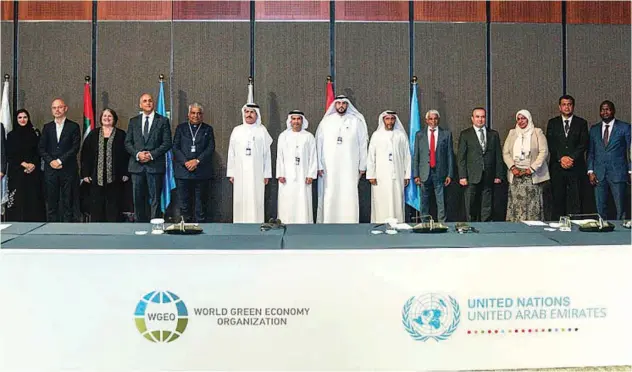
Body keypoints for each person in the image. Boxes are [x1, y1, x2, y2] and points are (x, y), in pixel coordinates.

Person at [316, 95, 368, 223]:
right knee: (330, 192)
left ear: (347, 105)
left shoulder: (356, 122)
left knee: (349, 192)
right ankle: (329, 221)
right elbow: (318, 143)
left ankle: (350, 221)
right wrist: (318, 165)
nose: (341, 106)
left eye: (344, 103)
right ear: (335, 105)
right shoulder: (326, 122)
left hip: (350, 166)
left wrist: (363, 165)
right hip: (329, 167)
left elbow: (363, 144)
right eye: (338, 103)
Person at [124, 93, 172, 222]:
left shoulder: (162, 121)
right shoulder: (133, 121)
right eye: (144, 101)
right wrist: (138, 154)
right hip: (137, 166)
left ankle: (154, 226)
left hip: (155, 166)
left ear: (153, 103)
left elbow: (167, 143)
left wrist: (151, 155)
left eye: (150, 100)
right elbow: (127, 142)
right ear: (140, 105)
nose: (148, 103)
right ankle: (140, 225)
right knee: (138, 199)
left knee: (155, 199)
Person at [81, 108, 129, 222]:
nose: (107, 118)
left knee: (114, 206)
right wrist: (85, 174)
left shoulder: (121, 135)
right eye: (104, 116)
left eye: (109, 116)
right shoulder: (93, 134)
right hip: (95, 178)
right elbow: (86, 155)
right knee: (96, 206)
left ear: (114, 119)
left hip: (115, 178)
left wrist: (126, 173)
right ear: (101, 119)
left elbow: (126, 156)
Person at [227, 103, 272, 223]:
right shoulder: (237, 130)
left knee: (255, 198)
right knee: (240, 199)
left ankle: (256, 223)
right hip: (240, 172)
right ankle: (239, 223)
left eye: (252, 112)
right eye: (247, 112)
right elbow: (231, 153)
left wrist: (267, 173)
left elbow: (267, 154)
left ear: (257, 115)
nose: (249, 115)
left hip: (257, 173)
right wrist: (231, 172)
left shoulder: (262, 131)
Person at [546, 95, 589, 220]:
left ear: (573, 106)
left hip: (576, 167)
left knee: (575, 200)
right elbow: (550, 143)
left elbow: (583, 144)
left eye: (569, 104)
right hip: (557, 167)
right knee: (558, 199)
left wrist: (571, 158)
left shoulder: (581, 123)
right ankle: (558, 226)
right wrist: (561, 158)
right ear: (559, 107)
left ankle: (575, 227)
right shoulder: (552, 123)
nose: (567, 107)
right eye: (564, 104)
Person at [457, 107, 504, 222]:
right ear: (472, 119)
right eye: (477, 117)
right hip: (471, 175)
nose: (480, 119)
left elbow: (498, 155)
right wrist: (462, 176)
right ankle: (471, 226)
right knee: (471, 203)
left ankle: (486, 226)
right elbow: (461, 157)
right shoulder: (465, 134)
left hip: (488, 174)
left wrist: (498, 175)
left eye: (482, 117)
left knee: (486, 204)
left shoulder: (493, 134)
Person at [503, 110, 550, 222]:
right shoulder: (512, 133)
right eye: (518, 119)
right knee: (516, 204)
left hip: (532, 175)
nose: (521, 121)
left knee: (532, 204)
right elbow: (505, 153)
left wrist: (532, 168)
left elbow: (544, 152)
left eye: (523, 118)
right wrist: (512, 167)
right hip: (516, 175)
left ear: (529, 119)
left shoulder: (537, 132)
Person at [587, 100, 631, 220]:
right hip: (599, 174)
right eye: (602, 110)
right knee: (600, 208)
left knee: (620, 208)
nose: (605, 112)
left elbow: (630, 150)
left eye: (608, 109)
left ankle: (622, 234)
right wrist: (590, 171)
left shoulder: (625, 127)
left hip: (618, 173)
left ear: (613, 111)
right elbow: (591, 152)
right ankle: (603, 233)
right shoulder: (594, 129)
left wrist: (630, 171)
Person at [38, 98, 81, 222]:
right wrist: (51, 161)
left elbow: (75, 147)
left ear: (65, 108)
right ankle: (52, 227)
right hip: (50, 170)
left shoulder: (73, 126)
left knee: (68, 201)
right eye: (54, 108)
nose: (57, 110)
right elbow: (41, 148)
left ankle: (67, 228)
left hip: (67, 169)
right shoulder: (47, 127)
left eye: (59, 107)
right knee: (52, 201)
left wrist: (60, 161)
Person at [173, 103, 215, 223]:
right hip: (183, 172)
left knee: (200, 204)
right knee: (184, 204)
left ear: (202, 115)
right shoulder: (181, 128)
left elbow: (210, 148)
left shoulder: (208, 129)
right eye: (193, 113)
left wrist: (197, 161)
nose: (196, 115)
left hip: (201, 172)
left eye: (198, 113)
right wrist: (186, 162)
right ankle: (185, 227)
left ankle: (201, 229)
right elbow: (175, 147)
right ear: (188, 114)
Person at [366, 111, 410, 223]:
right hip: (380, 176)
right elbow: (371, 156)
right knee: (381, 201)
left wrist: (407, 175)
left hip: (398, 174)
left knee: (397, 200)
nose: (390, 121)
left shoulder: (401, 135)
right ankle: (380, 223)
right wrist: (371, 174)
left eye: (392, 119)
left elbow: (407, 156)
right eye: (387, 119)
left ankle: (398, 223)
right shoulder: (376, 135)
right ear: (383, 120)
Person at [276, 110, 317, 224]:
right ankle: (285, 222)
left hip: (303, 175)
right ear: (290, 121)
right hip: (287, 176)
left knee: (303, 200)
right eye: (293, 119)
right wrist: (280, 173)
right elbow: (280, 156)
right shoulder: (283, 136)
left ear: (302, 121)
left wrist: (311, 174)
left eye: (298, 119)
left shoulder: (309, 137)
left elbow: (313, 156)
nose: (296, 121)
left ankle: (304, 223)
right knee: (287, 200)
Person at [413, 110, 454, 222]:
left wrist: (450, 174)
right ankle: (424, 223)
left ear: (438, 120)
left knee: (441, 200)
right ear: (426, 120)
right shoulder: (419, 135)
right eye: (430, 119)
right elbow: (416, 155)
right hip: (424, 173)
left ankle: (442, 222)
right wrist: (416, 174)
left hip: (440, 172)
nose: (433, 121)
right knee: (424, 201)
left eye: (435, 118)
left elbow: (450, 155)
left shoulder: (446, 134)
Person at [6, 109, 45, 221]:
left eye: (25, 117)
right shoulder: (11, 135)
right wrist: (24, 164)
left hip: (33, 173)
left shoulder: (35, 133)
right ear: (16, 119)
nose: (22, 120)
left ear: (28, 119)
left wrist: (32, 165)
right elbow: (10, 154)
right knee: (18, 201)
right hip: (17, 173)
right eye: (20, 117)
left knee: (33, 200)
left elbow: (40, 151)